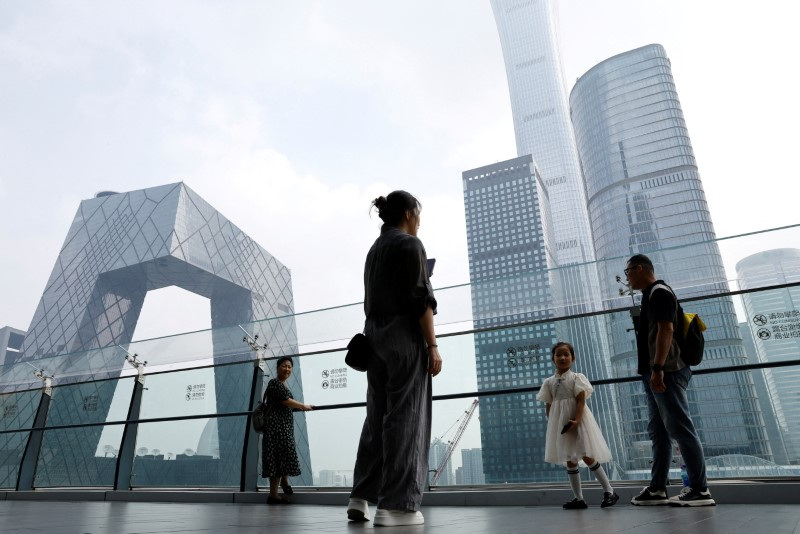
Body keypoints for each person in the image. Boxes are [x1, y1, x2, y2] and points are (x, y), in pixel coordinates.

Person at [346, 190, 442, 527]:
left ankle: (360, 497)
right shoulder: (411, 245)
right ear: (408, 213)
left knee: (377, 417)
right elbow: (420, 298)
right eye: (418, 213)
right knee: (406, 417)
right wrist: (432, 345)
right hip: (403, 338)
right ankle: (397, 507)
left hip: (374, 339)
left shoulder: (374, 250)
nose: (419, 220)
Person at [624, 254, 715, 506]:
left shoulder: (660, 292)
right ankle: (657, 489)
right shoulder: (650, 294)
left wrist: (658, 368)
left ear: (640, 268)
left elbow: (667, 329)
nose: (627, 277)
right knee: (659, 432)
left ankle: (700, 489)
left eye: (628, 271)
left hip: (667, 371)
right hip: (656, 372)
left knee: (680, 429)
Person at [537, 342, 619, 509]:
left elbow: (581, 402)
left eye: (566, 354)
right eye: (558, 355)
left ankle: (609, 490)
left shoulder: (577, 378)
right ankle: (578, 498)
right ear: (553, 359)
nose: (562, 357)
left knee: (586, 454)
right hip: (562, 424)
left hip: (578, 421)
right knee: (570, 459)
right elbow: (549, 405)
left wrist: (577, 420)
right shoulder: (548, 382)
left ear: (573, 358)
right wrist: (553, 424)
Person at [261, 356, 314, 505]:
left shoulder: (282, 385)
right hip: (276, 428)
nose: (287, 369)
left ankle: (284, 482)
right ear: (277, 368)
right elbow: (285, 400)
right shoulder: (275, 383)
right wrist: (304, 406)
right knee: (277, 458)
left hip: (282, 428)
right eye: (284, 366)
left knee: (283, 455)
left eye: (290, 367)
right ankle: (273, 495)